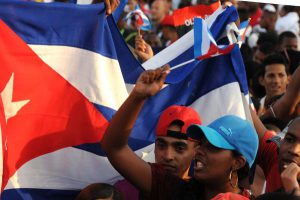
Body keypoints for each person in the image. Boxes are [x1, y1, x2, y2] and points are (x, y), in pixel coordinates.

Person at [101, 66, 259, 199]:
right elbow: (114, 148)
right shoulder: (173, 189)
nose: (200, 151)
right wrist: (137, 97)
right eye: (201, 144)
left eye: (212, 147)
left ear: (238, 162)